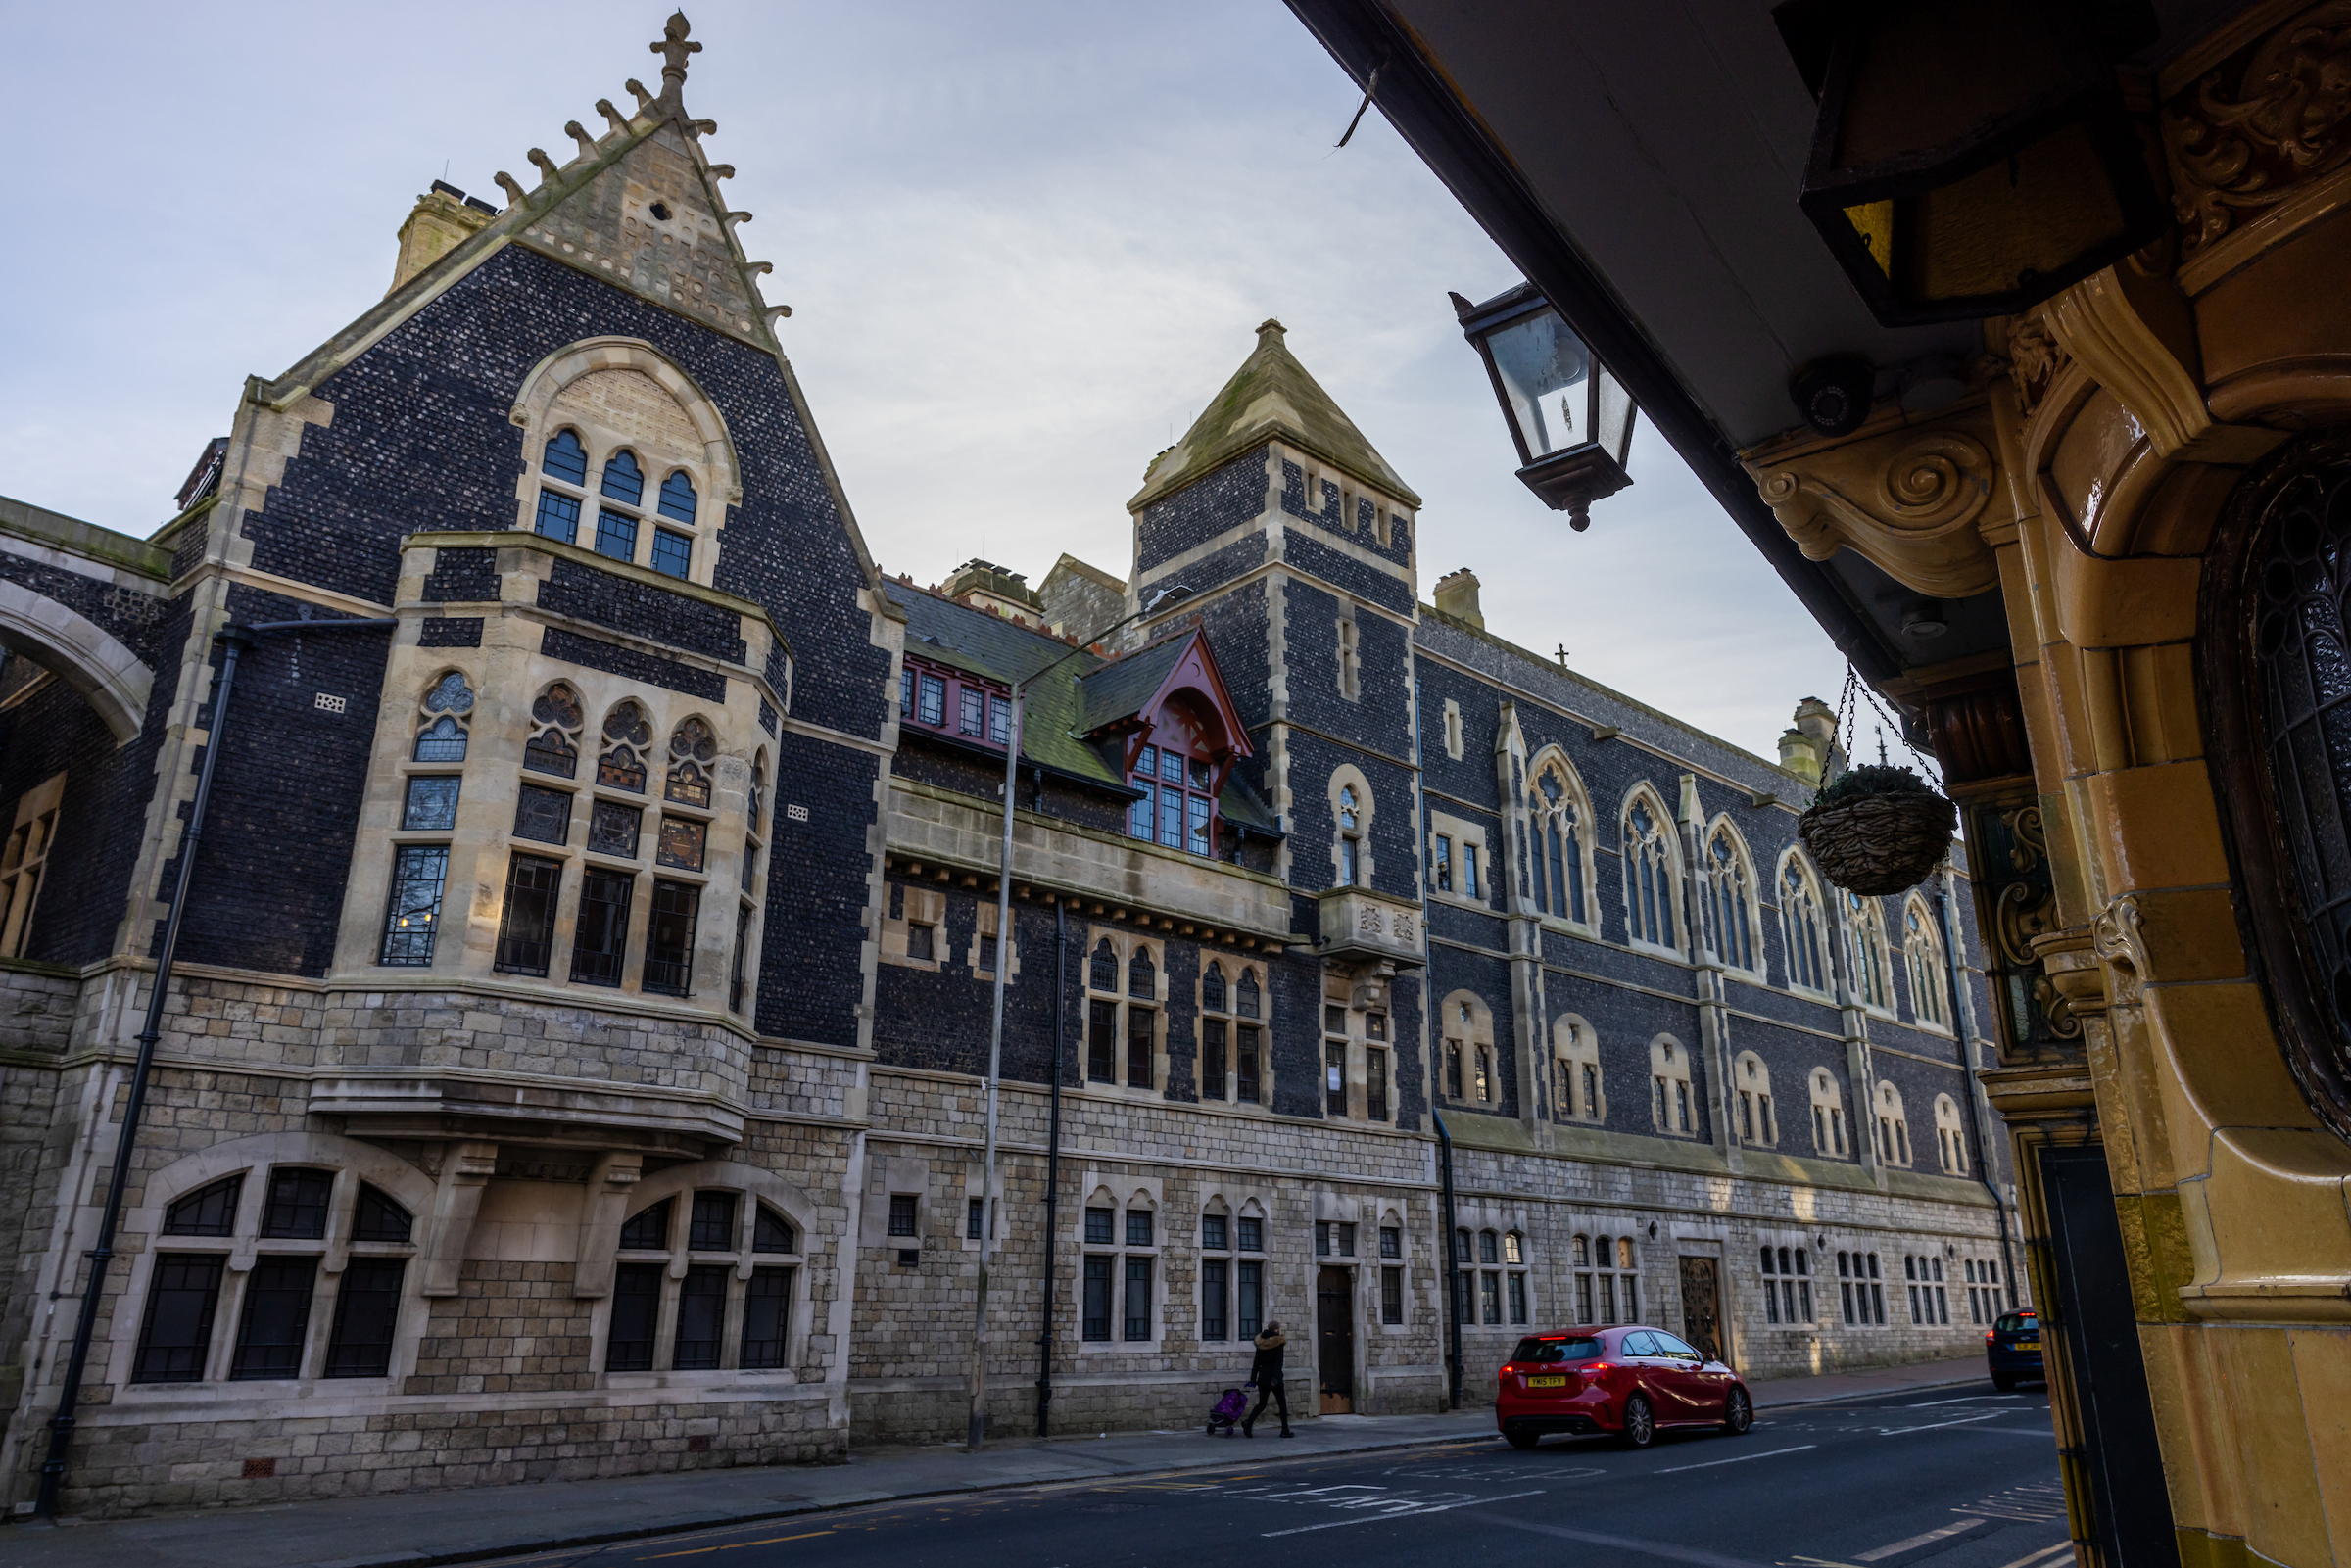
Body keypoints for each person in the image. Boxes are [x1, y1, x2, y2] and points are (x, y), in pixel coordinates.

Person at [1242, 1321, 1292, 1437]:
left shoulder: (1261, 1343)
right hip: (1274, 1378)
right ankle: (1285, 1430)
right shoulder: (1278, 1342)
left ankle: (1248, 1423)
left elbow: (1256, 1363)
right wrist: (1275, 1378)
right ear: (1276, 1330)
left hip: (1263, 1377)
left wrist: (1253, 1379)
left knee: (1262, 1404)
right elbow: (1278, 1362)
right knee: (1282, 1404)